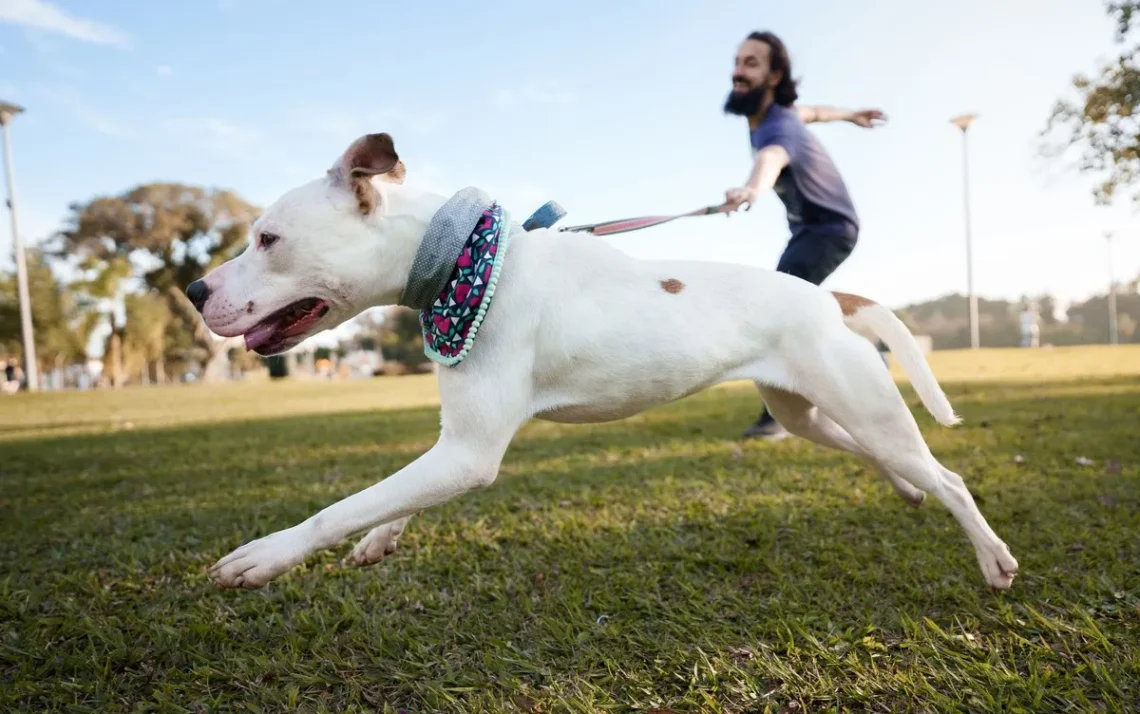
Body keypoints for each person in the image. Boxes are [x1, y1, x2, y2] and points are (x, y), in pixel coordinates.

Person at [720, 30, 886, 440]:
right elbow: (813, 112)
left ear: (774, 76)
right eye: (738, 62)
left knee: (779, 307)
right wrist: (850, 115)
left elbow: (771, 157)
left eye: (751, 63)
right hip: (813, 230)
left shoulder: (778, 125)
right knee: (798, 309)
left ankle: (779, 416)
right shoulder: (777, 114)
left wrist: (751, 189)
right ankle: (871, 357)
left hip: (829, 229)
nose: (738, 72)